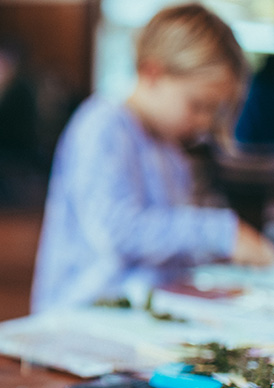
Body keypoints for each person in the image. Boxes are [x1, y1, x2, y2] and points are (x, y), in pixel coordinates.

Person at [31, 3, 274, 313]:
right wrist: (222, 232)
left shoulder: (170, 149)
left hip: (139, 311)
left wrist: (219, 254)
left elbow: (167, 244)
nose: (205, 123)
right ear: (152, 72)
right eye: (198, 106)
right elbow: (117, 230)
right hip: (81, 313)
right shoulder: (104, 124)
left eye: (215, 111)